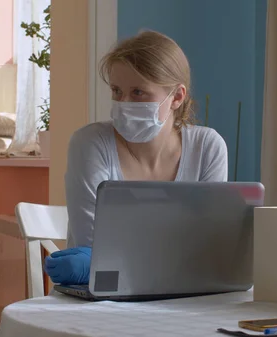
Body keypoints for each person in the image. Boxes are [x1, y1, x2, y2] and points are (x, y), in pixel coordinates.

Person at [44, 30, 228, 285]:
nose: (123, 102)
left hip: (184, 298)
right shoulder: (90, 144)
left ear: (176, 97)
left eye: (138, 92)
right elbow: (94, 253)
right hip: (101, 303)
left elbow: (207, 248)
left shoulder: (207, 148)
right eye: (117, 91)